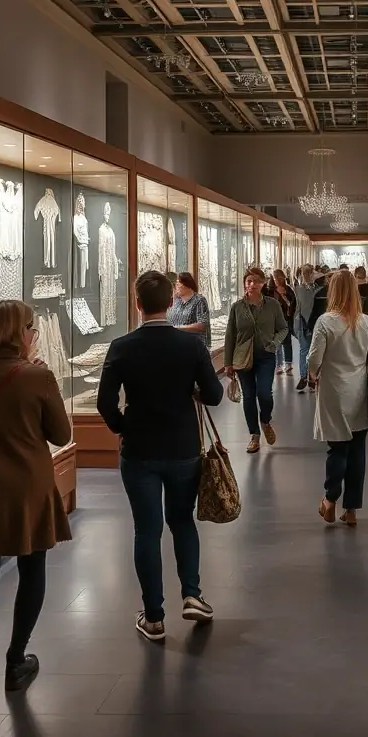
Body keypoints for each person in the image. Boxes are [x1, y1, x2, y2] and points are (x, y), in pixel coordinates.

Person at [0, 300, 72, 732]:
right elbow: (62, 434)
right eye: (33, 329)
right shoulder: (38, 375)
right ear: (22, 332)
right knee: (32, 571)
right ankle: (15, 661)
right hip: (28, 492)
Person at [97, 271, 223, 642]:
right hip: (183, 447)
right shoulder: (191, 346)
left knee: (146, 530)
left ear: (137, 303)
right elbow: (214, 395)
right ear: (171, 303)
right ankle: (192, 594)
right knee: (182, 522)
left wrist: (123, 426)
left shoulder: (121, 346)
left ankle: (153, 616)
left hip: (139, 450)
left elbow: (106, 402)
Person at [307, 269, 368, 527]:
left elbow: (314, 360)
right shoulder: (367, 323)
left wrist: (313, 373)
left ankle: (330, 500)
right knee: (358, 451)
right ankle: (351, 510)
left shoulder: (326, 322)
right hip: (360, 391)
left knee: (337, 447)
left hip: (333, 391)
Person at [225, 267, 288, 454]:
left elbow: (283, 328)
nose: (251, 285)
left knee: (265, 393)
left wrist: (274, 344)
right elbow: (230, 335)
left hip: (266, 356)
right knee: (249, 396)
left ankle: (266, 420)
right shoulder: (237, 307)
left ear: (262, 283)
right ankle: (254, 435)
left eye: (255, 281)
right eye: (248, 281)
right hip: (243, 357)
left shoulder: (272, 305)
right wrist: (228, 362)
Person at [265, 269, 297, 376]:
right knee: (276, 342)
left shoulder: (288, 289)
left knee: (287, 342)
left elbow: (293, 303)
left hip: (285, 319)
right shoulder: (270, 290)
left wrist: (284, 295)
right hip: (274, 319)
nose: (277, 280)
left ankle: (288, 363)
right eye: (275, 278)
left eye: (279, 278)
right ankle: (278, 365)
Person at [167, 271, 211, 346]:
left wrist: (179, 328)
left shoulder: (199, 300)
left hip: (194, 346)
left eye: (178, 284)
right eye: (176, 284)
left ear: (188, 285)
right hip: (177, 345)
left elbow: (203, 325)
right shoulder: (177, 301)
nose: (176, 287)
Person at [294, 264, 318, 391]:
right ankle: (304, 376)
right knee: (305, 350)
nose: (306, 275)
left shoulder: (317, 289)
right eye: (305, 273)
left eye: (308, 272)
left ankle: (311, 377)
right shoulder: (298, 289)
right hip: (303, 323)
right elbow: (297, 309)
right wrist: (296, 326)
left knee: (312, 351)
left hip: (314, 324)